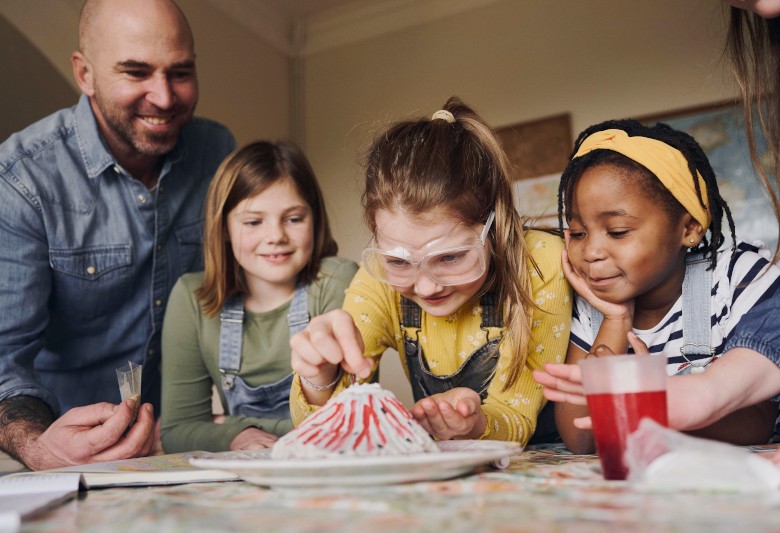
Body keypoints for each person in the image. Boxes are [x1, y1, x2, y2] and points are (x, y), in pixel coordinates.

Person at [0, 0, 236, 470]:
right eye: (136, 72)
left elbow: (240, 300)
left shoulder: (218, 153)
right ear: (84, 74)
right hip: (60, 462)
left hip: (177, 449)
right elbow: (4, 360)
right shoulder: (21, 180)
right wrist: (40, 445)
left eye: (181, 72)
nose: (165, 98)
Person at [289, 97, 572, 446]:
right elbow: (320, 430)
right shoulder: (377, 280)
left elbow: (516, 417)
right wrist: (319, 378)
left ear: (494, 230)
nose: (424, 287)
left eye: (450, 257)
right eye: (398, 261)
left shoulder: (540, 263)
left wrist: (475, 423)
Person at [533, 119, 780, 453]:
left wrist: (645, 410)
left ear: (689, 227)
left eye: (618, 231)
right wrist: (615, 322)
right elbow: (581, 440)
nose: (590, 252)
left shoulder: (735, 277)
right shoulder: (591, 307)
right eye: (577, 233)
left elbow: (755, 423)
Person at [160, 141, 358, 453]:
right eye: (253, 222)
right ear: (223, 226)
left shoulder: (338, 281)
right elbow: (176, 432)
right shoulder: (191, 298)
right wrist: (236, 437)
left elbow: (350, 423)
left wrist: (225, 425)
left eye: (293, 219)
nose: (276, 236)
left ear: (315, 218)